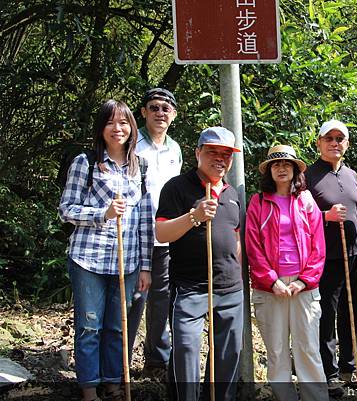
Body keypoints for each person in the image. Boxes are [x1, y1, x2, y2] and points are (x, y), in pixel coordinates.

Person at [58, 100, 154, 401]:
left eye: (123, 123)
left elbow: (143, 219)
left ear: (132, 128)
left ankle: (113, 383)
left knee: (118, 327)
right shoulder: (85, 162)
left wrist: (146, 265)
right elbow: (66, 209)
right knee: (89, 326)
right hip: (88, 258)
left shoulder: (141, 165)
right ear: (101, 128)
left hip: (126, 262)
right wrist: (103, 213)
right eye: (111, 123)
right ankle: (89, 390)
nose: (118, 129)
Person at [155, 127, 243, 401]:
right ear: (197, 153)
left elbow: (236, 237)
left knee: (227, 357)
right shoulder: (177, 187)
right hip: (190, 287)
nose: (220, 158)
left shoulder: (234, 193)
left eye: (226, 154)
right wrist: (194, 217)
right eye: (212, 152)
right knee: (185, 353)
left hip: (230, 289)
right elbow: (161, 233)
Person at [245, 145, 328, 401]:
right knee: (277, 351)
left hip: (304, 287)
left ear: (295, 170)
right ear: (269, 171)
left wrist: (304, 281)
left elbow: (318, 246)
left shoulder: (306, 201)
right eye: (276, 164)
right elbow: (253, 246)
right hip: (270, 288)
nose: (281, 168)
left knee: (308, 349)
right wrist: (272, 280)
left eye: (286, 164)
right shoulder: (258, 202)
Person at [304, 119, 357, 396]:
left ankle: (350, 366)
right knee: (327, 315)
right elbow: (300, 216)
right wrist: (325, 217)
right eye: (329, 138)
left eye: (340, 139)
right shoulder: (308, 176)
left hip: (354, 254)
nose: (335, 143)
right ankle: (329, 372)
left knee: (353, 310)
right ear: (319, 142)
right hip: (325, 257)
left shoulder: (351, 174)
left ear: (347, 144)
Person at [127, 88, 182, 378]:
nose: (160, 113)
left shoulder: (175, 149)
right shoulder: (133, 144)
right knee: (134, 297)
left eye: (165, 108)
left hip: (165, 236)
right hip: (135, 235)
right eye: (154, 107)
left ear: (173, 114)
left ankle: (156, 361)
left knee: (162, 298)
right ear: (144, 112)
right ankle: (120, 359)